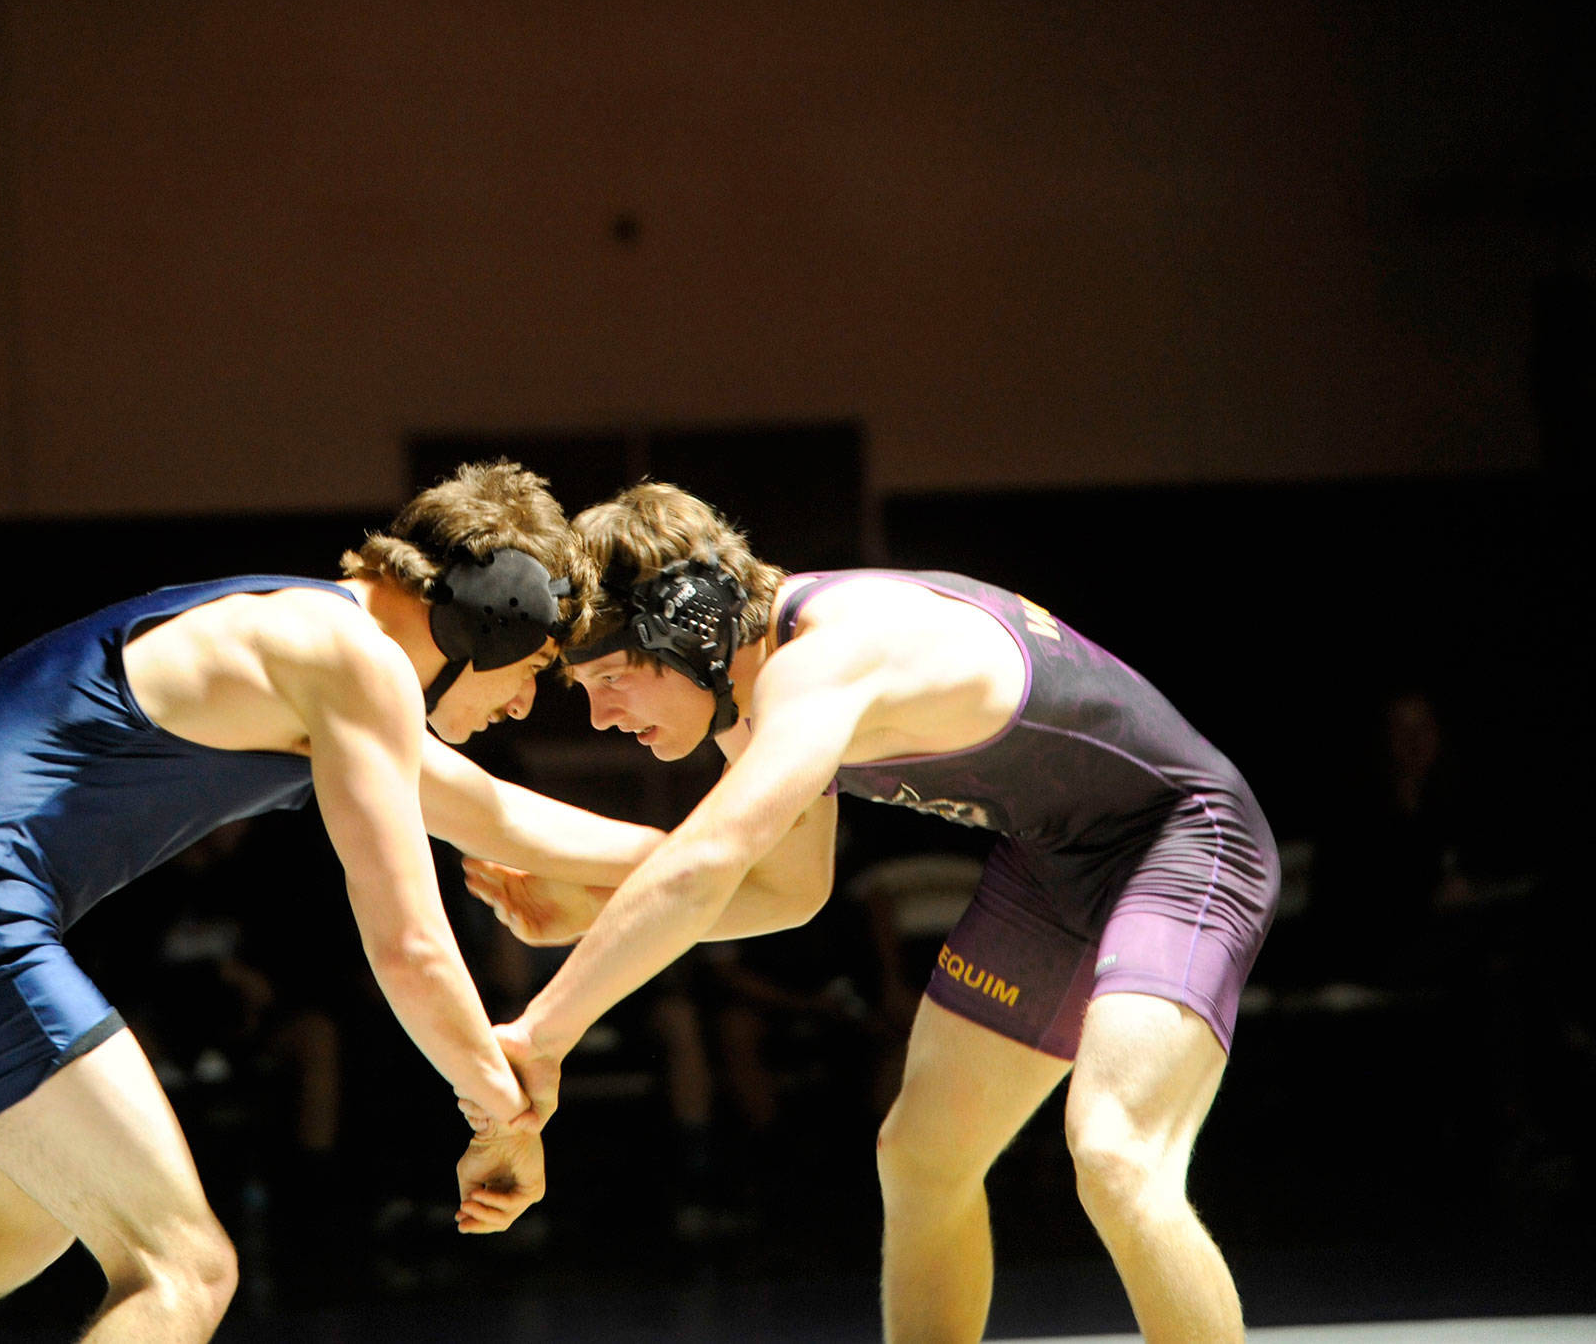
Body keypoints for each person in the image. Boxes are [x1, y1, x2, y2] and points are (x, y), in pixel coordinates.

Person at [0, 462, 656, 1344]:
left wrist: (709, 864)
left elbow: (492, 814)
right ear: (490, 611)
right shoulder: (353, 660)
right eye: (533, 667)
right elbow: (412, 951)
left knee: (21, 1219)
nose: (519, 701)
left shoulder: (306, 638)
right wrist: (500, 1115)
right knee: (185, 1268)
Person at [462, 481, 1281, 1344]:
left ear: (687, 623)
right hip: (1055, 864)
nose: (600, 717)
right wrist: (595, 913)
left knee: (1116, 1155)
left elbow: (707, 862)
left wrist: (538, 1035)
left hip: (1183, 837)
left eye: (613, 678)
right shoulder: (756, 693)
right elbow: (787, 890)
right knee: (921, 1157)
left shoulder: (825, 657)